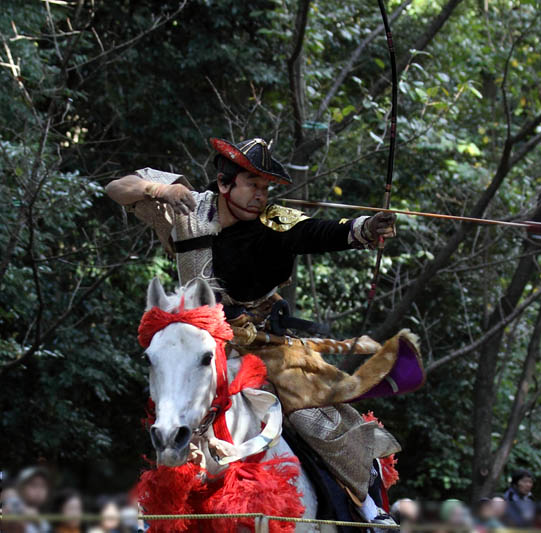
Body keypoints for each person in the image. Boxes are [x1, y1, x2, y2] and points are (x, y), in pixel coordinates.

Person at [105, 136, 413, 524]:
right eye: (254, 185)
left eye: (266, 188)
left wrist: (365, 227)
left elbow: (321, 232)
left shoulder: (275, 222)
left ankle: (368, 510)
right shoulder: (184, 206)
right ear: (223, 184)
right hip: (200, 338)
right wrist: (159, 189)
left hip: (261, 341)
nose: (261, 196)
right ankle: (162, 512)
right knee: (168, 398)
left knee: (314, 415)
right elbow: (117, 189)